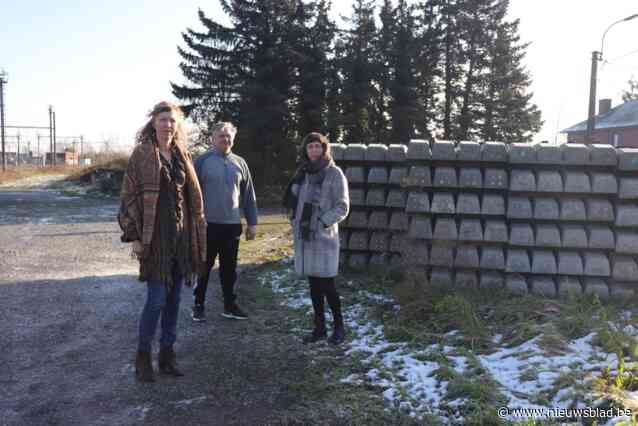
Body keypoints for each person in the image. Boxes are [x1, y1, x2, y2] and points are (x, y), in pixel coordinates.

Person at [118, 101, 207, 382]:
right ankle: (143, 358)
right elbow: (128, 198)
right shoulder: (142, 154)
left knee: (174, 301)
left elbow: (193, 201)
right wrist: (134, 237)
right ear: (153, 122)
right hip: (155, 240)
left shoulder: (183, 155)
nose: (168, 124)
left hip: (182, 240)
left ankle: (167, 356)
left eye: (172, 120)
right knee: (156, 300)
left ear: (177, 125)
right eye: (163, 119)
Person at [283, 132, 349, 345]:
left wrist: (322, 222)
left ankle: (339, 327)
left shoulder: (334, 173)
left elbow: (343, 206)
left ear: (324, 148)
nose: (313, 150)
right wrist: (294, 218)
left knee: (328, 285)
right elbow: (293, 200)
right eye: (310, 147)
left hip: (324, 238)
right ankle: (319, 328)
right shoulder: (302, 173)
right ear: (305, 150)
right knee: (313, 285)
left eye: (317, 146)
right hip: (305, 237)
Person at [192, 122, 258, 322]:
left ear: (233, 139)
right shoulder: (201, 162)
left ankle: (229, 305)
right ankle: (198, 304)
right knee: (204, 266)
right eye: (221, 135)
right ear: (212, 138)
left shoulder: (240, 163)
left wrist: (252, 223)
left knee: (229, 269)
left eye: (228, 136)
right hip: (207, 225)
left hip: (232, 225)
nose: (225, 139)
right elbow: (191, 194)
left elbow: (248, 195)